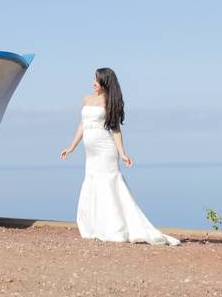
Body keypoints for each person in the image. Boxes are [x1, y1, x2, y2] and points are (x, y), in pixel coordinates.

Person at [60, 67, 179, 245]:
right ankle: (95, 226)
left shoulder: (110, 101)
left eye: (97, 79)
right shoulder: (87, 99)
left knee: (108, 183)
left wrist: (123, 153)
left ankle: (115, 228)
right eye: (93, 78)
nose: (94, 82)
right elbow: (82, 125)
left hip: (105, 149)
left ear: (105, 82)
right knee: (93, 182)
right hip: (90, 152)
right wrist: (71, 147)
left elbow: (115, 130)